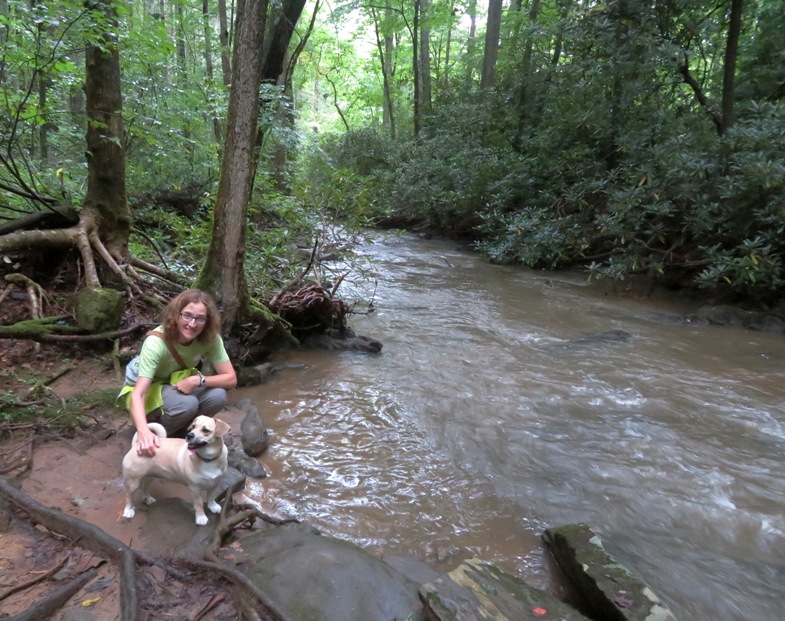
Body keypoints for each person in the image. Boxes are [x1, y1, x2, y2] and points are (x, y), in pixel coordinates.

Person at [120, 289, 237, 457]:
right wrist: (143, 431)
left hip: (175, 383)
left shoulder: (210, 338)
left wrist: (198, 381)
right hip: (147, 386)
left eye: (200, 318)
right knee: (186, 404)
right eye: (187, 315)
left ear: (207, 321)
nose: (192, 324)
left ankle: (187, 433)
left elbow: (231, 379)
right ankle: (157, 435)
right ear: (176, 315)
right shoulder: (155, 342)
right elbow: (139, 393)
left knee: (217, 395)